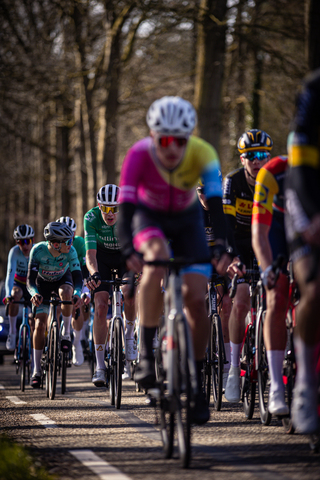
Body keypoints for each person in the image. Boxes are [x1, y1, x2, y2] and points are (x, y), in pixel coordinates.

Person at [117, 95, 232, 425]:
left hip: (187, 221)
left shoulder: (203, 153)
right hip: (147, 218)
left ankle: (196, 387)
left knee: (196, 298)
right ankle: (145, 356)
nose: (171, 148)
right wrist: (128, 250)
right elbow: (125, 211)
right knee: (156, 258)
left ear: (189, 138)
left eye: (179, 140)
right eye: (164, 139)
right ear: (153, 136)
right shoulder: (138, 155)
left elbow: (215, 204)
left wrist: (221, 246)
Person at [223, 129, 273, 403]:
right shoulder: (233, 182)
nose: (257, 161)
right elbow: (228, 226)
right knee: (240, 302)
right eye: (250, 156)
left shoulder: (276, 181)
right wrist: (232, 257)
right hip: (241, 245)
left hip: (267, 242)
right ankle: (232, 369)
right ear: (242, 159)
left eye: (262, 155)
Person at [285, 68, 320, 434]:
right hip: (307, 194)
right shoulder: (314, 90)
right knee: (314, 287)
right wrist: (314, 216)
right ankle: (306, 385)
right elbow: (300, 170)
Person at [84, 184, 137, 387]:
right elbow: (90, 254)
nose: (110, 213)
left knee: (129, 292)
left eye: (115, 208)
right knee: (100, 305)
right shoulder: (91, 218)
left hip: (125, 257)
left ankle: (130, 337)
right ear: (99, 206)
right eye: (106, 208)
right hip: (102, 259)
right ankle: (99, 367)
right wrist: (94, 273)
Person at [252, 155, 290, 415]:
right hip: (275, 229)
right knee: (277, 293)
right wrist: (267, 271)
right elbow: (259, 235)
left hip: (307, 229)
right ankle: (276, 385)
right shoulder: (272, 172)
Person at [27, 222, 83, 388]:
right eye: (68, 241)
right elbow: (30, 280)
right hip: (41, 285)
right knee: (39, 324)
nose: (71, 244)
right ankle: (36, 371)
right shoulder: (37, 250)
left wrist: (78, 294)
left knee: (67, 292)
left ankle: (66, 333)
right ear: (56, 243)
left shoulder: (70, 251)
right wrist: (34, 293)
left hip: (62, 280)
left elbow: (77, 276)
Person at [196, 183, 232, 388]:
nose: (206, 196)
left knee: (226, 305)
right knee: (194, 303)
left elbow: (232, 239)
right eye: (202, 192)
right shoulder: (193, 210)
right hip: (199, 260)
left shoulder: (223, 208)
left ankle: (227, 369)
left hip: (219, 262)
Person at [56, 216, 90, 366]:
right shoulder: (54, 243)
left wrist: (85, 289)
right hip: (59, 277)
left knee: (79, 306)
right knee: (56, 307)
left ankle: (77, 342)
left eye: (72, 235)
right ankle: (54, 338)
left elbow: (84, 268)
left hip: (77, 275)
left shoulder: (80, 243)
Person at [3, 224, 34, 351]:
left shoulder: (37, 250)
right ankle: (12, 331)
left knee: (33, 321)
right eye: (21, 242)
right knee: (15, 294)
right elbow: (9, 276)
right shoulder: (14, 252)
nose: (25, 245)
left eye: (28, 241)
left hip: (32, 285)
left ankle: (33, 351)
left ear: (33, 240)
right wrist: (7, 295)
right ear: (17, 243)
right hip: (19, 284)